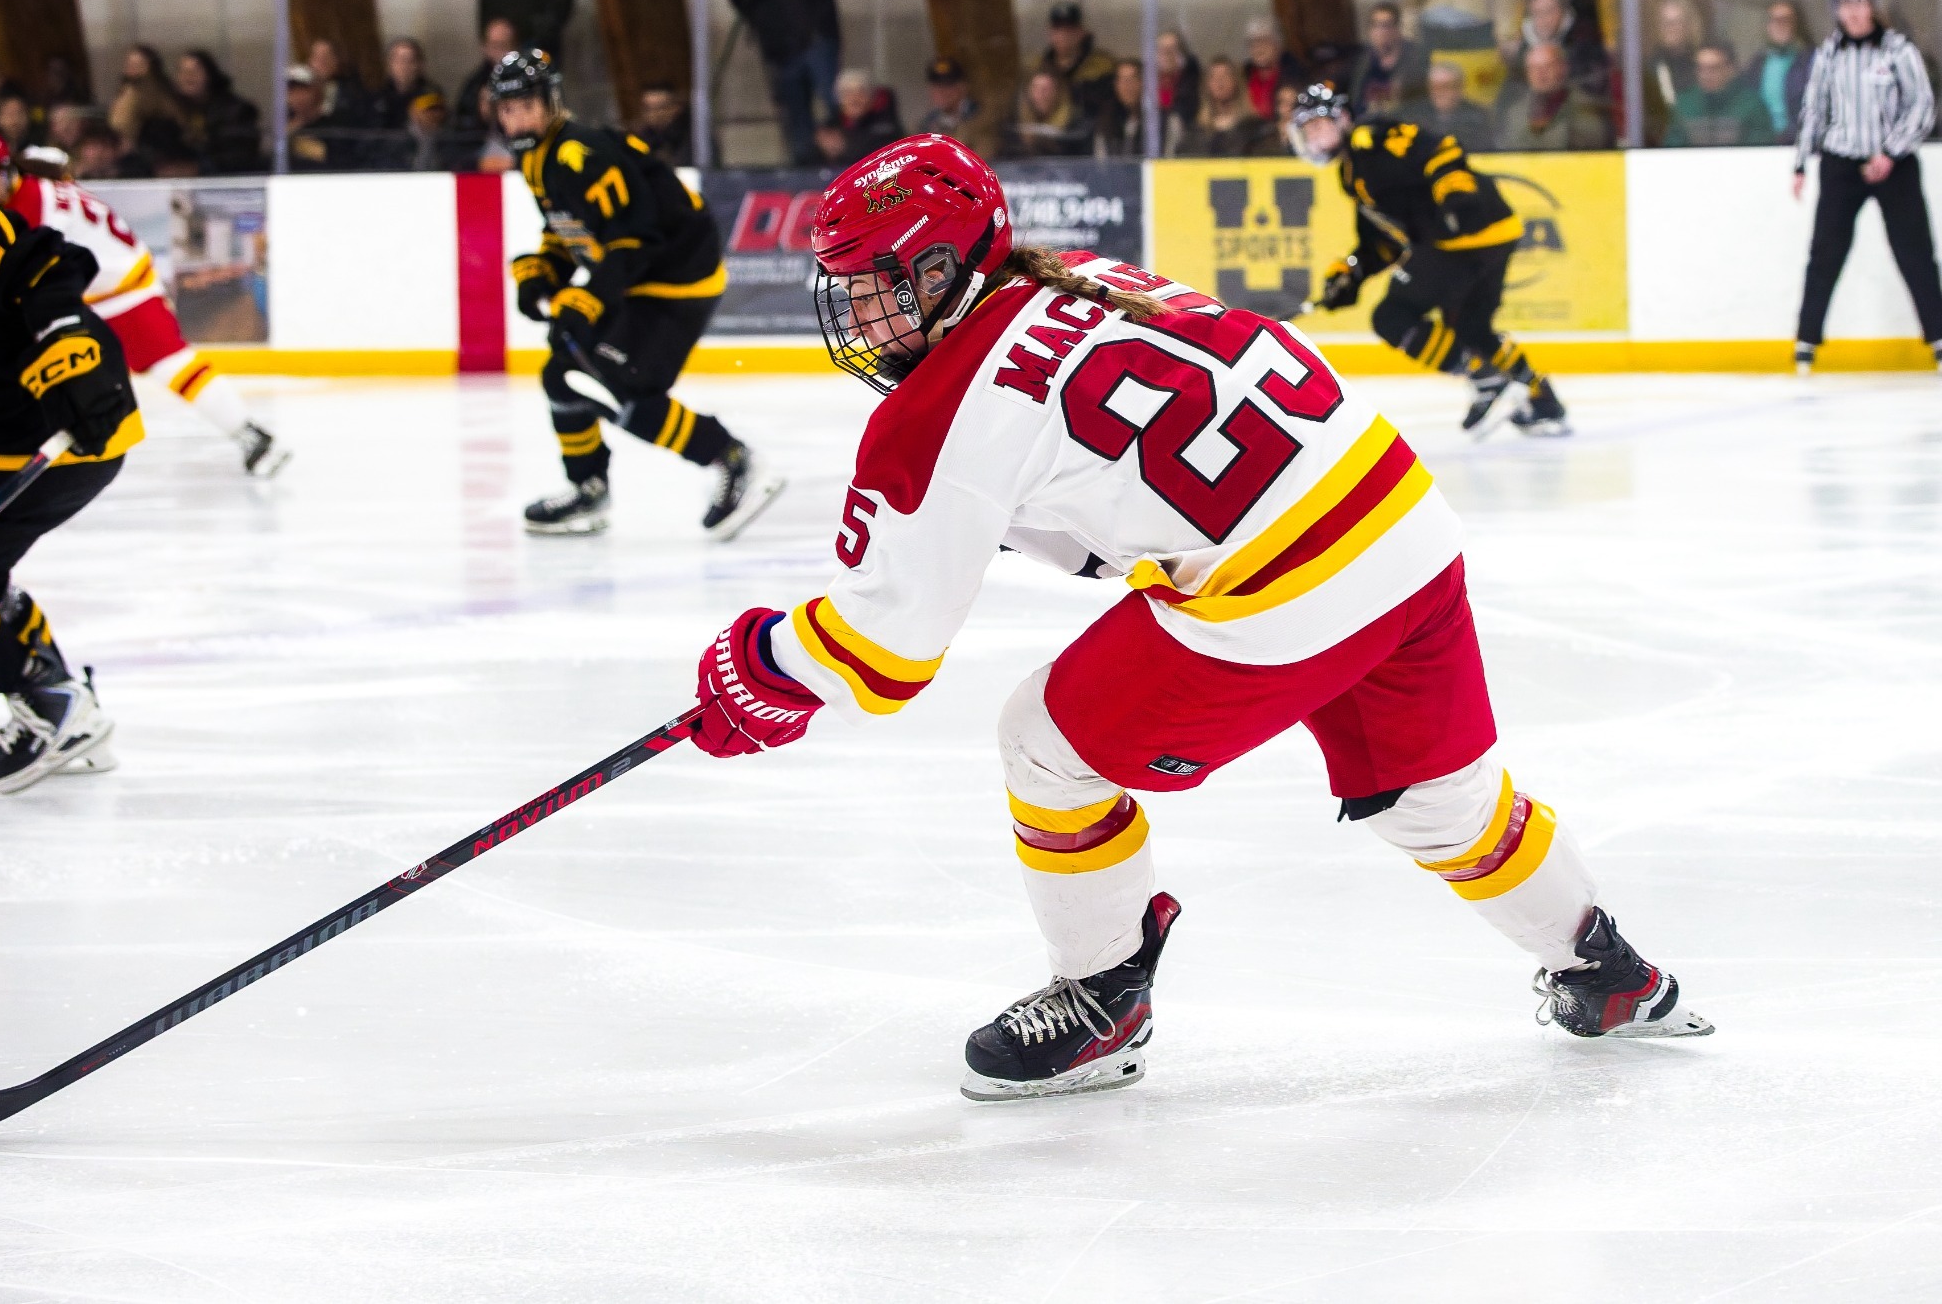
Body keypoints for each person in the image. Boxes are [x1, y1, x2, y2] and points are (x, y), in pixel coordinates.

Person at [685, 132, 1713, 1102]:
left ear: (940, 270)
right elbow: (1107, 502)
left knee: (1041, 746)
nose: (857, 320)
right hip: (1403, 524)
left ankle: (1100, 995)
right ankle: (1607, 969)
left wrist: (764, 663)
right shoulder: (1080, 274)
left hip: (1287, 587)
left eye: (872, 289)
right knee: (1437, 806)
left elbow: (882, 651)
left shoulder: (941, 402)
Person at [491, 51, 783, 539]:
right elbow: (575, 229)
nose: (517, 116)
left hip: (675, 279)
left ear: (550, 102)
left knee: (617, 387)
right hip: (639, 277)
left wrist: (588, 300)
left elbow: (636, 240)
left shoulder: (579, 153)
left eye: (526, 104)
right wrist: (544, 273)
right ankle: (588, 491)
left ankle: (732, 457)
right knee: (563, 375)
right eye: (508, 108)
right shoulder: (538, 155)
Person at [0, 162, 138, 791]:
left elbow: (46, 264)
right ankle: (58, 695)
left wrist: (67, 350)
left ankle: (51, 702)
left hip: (60, 426)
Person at [0, 129, 290, 476]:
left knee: (171, 365)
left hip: (122, 291)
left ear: (6, 171)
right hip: (107, 284)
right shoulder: (28, 189)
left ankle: (250, 435)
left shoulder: (29, 208)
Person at [1295, 84, 1568, 436]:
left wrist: (1454, 195)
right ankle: (1543, 400)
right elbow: (1383, 242)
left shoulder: (1370, 138)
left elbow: (1439, 149)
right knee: (1472, 327)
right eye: (1307, 131)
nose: (1312, 138)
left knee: (1391, 317)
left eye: (1318, 126)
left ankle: (1485, 379)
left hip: (1463, 235)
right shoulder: (1351, 173)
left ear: (1342, 119)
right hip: (1493, 233)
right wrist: (1351, 272)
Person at [1791, 0, 1942, 374]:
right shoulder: (1827, 55)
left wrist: (1891, 152)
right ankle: (1806, 341)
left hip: (1895, 166)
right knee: (1824, 253)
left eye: (1859, 3)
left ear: (1872, 6)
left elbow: (1922, 106)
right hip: (1842, 165)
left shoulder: (1898, 50)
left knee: (1915, 253)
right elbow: (1814, 110)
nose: (1853, 12)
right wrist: (1801, 162)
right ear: (1836, 10)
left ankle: (1940, 338)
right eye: (1845, 5)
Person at [729, 0, 842, 167]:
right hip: (782, 50)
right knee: (796, 114)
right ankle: (804, 162)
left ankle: (846, 155)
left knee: (833, 100)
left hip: (813, 39)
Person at [1497, 43, 1615, 150]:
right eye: (1533, 68)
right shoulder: (1515, 113)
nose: (1540, 74)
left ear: (1562, 68)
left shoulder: (1588, 108)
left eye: (1547, 66)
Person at [1665, 43, 1775, 147]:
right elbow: (1672, 149)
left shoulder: (1752, 105)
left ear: (1731, 69)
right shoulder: (1685, 104)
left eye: (1713, 68)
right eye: (1701, 68)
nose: (1705, 75)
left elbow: (1760, 152)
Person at [173, 50, 262, 174]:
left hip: (225, 183)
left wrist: (198, 168)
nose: (188, 76)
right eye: (183, 71)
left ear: (209, 75)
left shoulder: (235, 110)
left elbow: (239, 157)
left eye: (195, 71)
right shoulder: (171, 111)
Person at [1746, 0, 1816, 142]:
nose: (1779, 25)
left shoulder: (1811, 61)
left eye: (1785, 20)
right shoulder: (1757, 63)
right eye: (1774, 20)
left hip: (1799, 139)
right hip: (1763, 140)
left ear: (1797, 24)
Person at [1040, 1, 1116, 126]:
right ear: (1049, 32)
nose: (1063, 35)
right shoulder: (1037, 68)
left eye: (1069, 29)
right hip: (1047, 135)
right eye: (1058, 29)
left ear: (1081, 32)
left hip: (1088, 134)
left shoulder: (1102, 66)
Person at [1349, 2, 1429, 118]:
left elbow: (1419, 102)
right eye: (1375, 25)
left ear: (1397, 28)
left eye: (1386, 25)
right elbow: (1354, 97)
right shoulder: (1363, 60)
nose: (1380, 31)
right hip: (1366, 124)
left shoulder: (1415, 58)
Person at [1643, 0, 1705, 145]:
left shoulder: (1704, 62)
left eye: (1677, 22)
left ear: (1690, 25)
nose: (1671, 28)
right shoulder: (1650, 68)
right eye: (1665, 22)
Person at [109, 46, 185, 166]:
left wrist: (127, 139)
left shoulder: (151, 91)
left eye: (138, 64)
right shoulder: (126, 89)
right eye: (130, 63)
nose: (132, 68)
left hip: (152, 152)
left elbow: (125, 122)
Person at [1181, 58, 1270, 157]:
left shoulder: (1255, 129)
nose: (1220, 81)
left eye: (1226, 75)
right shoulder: (1195, 132)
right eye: (1213, 76)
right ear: (1206, 85)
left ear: (1236, 82)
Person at [1402, 59, 1496, 151]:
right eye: (1435, 87)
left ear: (1459, 88)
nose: (1440, 93)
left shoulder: (1478, 117)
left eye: (1445, 86)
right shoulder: (1414, 116)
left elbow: (1484, 152)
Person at [1003, 68, 1089, 158]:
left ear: (1058, 93)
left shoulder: (1076, 125)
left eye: (1046, 89)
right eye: (1035, 88)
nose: (1040, 94)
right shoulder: (1014, 124)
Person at [827, 68, 902, 164]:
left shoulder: (885, 125)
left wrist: (844, 147)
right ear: (839, 99)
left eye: (861, 92)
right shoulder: (829, 129)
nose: (854, 99)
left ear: (871, 98)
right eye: (848, 93)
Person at [456, 17, 517, 133]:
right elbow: (462, 124)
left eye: (505, 45)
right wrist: (481, 113)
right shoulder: (475, 83)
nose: (501, 51)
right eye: (495, 45)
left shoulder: (531, 78)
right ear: (485, 47)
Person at [1242, 17, 1306, 119]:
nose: (1258, 48)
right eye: (1253, 43)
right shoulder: (1244, 75)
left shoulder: (1295, 74)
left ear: (1277, 43)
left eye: (1264, 41)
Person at [377, 37, 440, 132]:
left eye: (410, 61)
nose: (405, 66)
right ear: (389, 64)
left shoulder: (430, 94)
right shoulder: (376, 92)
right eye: (399, 60)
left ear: (420, 65)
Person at [915, 58, 979, 146]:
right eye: (936, 86)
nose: (941, 91)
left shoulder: (980, 114)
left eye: (948, 85)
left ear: (962, 87)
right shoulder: (927, 123)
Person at [632, 84, 693, 166]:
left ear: (675, 108)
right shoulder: (641, 137)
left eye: (659, 108)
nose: (653, 113)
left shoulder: (691, 134)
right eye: (648, 108)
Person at [1155, 30, 1201, 130]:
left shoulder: (1195, 84)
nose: (1166, 54)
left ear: (1182, 54)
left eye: (1172, 49)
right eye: (1162, 49)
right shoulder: (1146, 85)